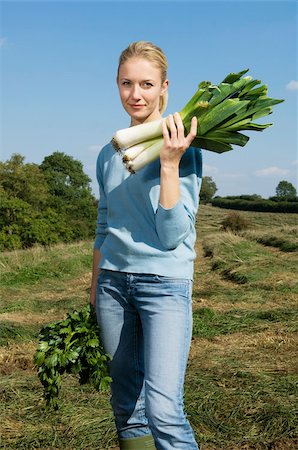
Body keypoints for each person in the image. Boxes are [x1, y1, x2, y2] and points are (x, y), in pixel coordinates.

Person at [90, 41, 202, 450]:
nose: (135, 94)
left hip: (164, 286)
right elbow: (104, 225)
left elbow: (173, 236)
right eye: (126, 83)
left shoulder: (184, 147)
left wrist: (169, 163)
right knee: (126, 404)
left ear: (164, 87)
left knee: (164, 410)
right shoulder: (108, 153)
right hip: (113, 286)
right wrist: (96, 284)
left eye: (146, 84)